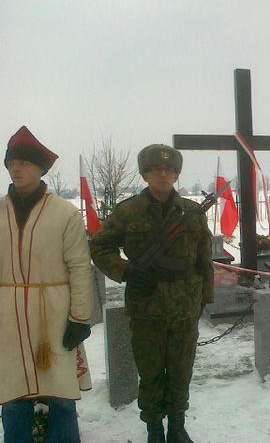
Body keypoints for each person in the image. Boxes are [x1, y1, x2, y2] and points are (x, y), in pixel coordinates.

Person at [90, 144, 214, 443]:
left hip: (185, 303)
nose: (162, 174)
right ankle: (154, 428)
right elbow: (99, 246)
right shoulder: (129, 211)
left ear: (176, 174)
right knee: (150, 370)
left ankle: (177, 425)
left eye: (169, 170)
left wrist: (205, 298)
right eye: (155, 170)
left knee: (181, 369)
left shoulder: (191, 211)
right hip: (146, 305)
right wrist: (125, 271)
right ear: (144, 174)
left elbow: (203, 258)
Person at [0, 125, 93, 442]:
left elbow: (80, 267)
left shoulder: (64, 213)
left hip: (54, 315)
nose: (16, 168)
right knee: (12, 397)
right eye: (12, 162)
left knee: (60, 396)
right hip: (8, 317)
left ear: (40, 168)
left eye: (24, 162)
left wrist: (79, 318)